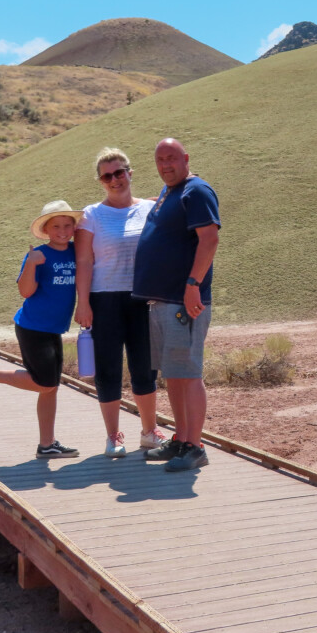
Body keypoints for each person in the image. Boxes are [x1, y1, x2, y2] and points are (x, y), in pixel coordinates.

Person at [0, 200, 82, 459]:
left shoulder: (76, 251)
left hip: (54, 330)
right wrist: (31, 263)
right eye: (56, 226)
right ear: (46, 230)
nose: (62, 230)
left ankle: (47, 444)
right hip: (32, 327)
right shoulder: (39, 254)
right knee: (45, 383)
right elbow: (25, 291)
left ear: (73, 228)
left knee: (51, 386)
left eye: (67, 225)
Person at [133, 138, 220, 472]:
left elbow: (209, 239)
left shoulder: (196, 191)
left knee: (188, 371)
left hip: (184, 301)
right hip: (163, 302)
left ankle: (196, 446)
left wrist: (193, 284)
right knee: (174, 374)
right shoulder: (171, 193)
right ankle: (181, 440)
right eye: (159, 160)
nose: (165, 165)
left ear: (186, 158)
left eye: (171, 158)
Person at [74, 147, 167, 457]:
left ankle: (149, 432)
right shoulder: (91, 215)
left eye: (119, 172)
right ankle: (113, 437)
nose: (114, 179)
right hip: (104, 300)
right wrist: (83, 303)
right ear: (101, 182)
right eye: (107, 176)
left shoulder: (151, 209)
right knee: (109, 369)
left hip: (143, 299)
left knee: (146, 368)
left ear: (130, 173)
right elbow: (85, 261)